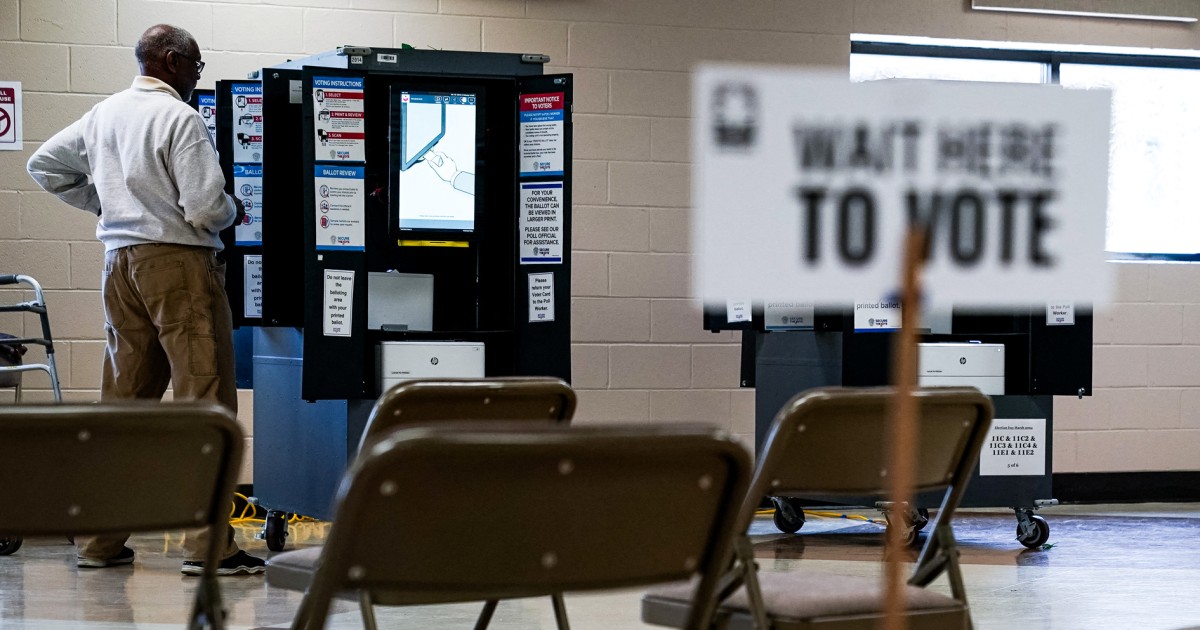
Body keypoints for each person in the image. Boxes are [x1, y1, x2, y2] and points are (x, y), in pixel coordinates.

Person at [26, 24, 264, 576]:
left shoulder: (102, 114)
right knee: (205, 405)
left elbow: (43, 165)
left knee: (124, 408)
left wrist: (106, 205)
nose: (196, 77)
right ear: (171, 60)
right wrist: (235, 210)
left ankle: (99, 542)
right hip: (180, 267)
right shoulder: (180, 117)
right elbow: (204, 207)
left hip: (119, 267)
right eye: (196, 66)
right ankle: (209, 548)